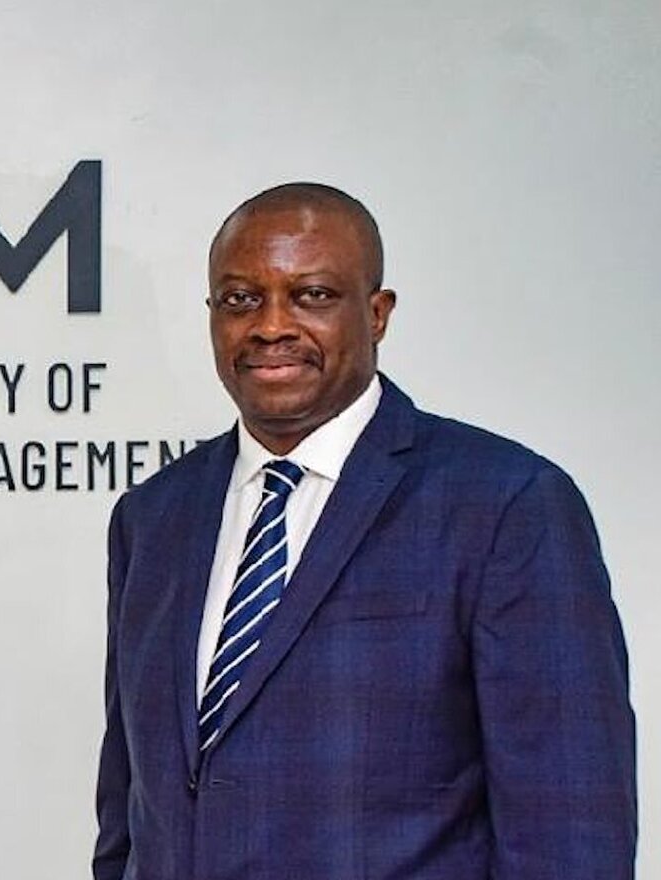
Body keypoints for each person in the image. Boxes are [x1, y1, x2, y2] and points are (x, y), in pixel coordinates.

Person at [93, 183, 636, 879]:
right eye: (241, 299)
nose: (271, 326)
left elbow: (572, 826)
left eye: (312, 295)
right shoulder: (153, 519)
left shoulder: (505, 505)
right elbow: (129, 807)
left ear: (376, 314)